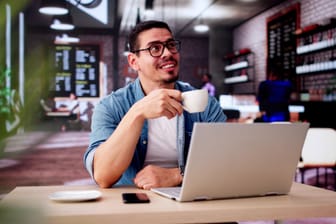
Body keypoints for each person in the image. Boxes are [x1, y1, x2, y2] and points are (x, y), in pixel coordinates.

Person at [83, 20, 226, 190]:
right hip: (133, 206)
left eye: (171, 45)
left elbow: (227, 162)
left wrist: (176, 175)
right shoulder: (110, 106)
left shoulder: (205, 103)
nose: (167, 53)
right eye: (155, 48)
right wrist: (137, 112)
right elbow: (103, 175)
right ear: (133, 61)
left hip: (192, 202)